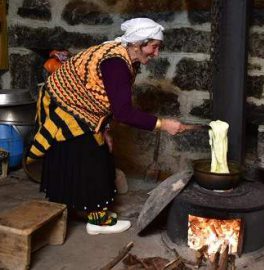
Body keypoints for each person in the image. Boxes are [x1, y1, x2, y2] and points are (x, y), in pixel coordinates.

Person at [26, 18, 187, 235]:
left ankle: (82, 208)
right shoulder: (116, 63)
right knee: (92, 158)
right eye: (154, 47)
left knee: (95, 154)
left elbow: (107, 99)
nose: (156, 53)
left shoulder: (126, 56)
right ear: (139, 43)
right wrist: (163, 124)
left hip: (81, 104)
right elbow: (123, 112)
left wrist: (104, 129)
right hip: (66, 104)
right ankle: (97, 221)